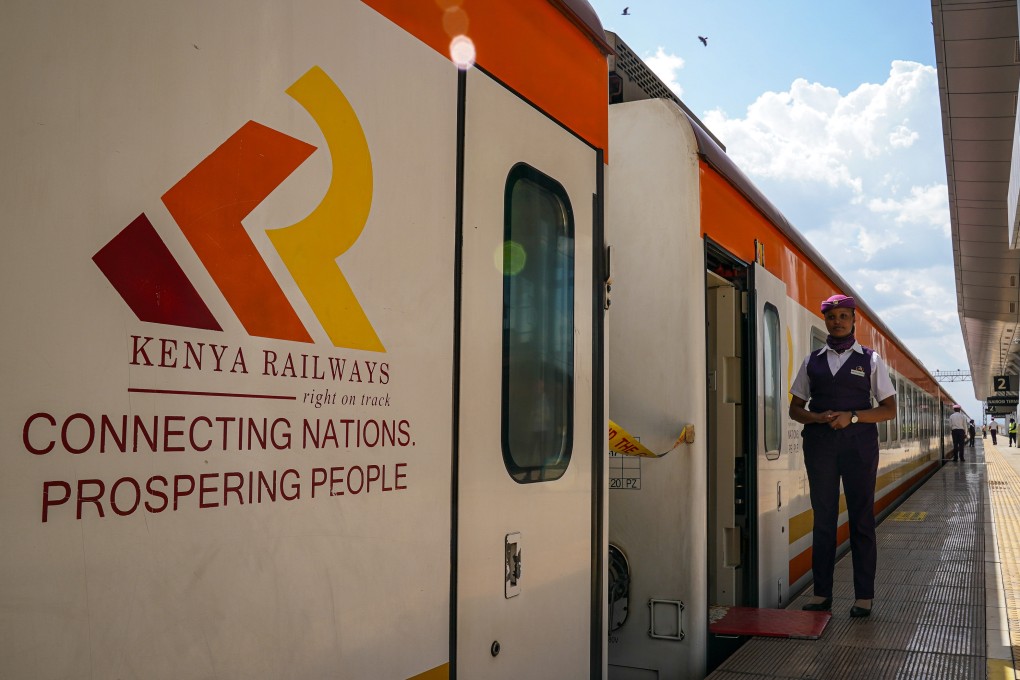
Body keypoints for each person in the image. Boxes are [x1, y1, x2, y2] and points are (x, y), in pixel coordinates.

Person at [789, 294, 896, 619]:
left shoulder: (871, 360)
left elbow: (889, 410)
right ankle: (821, 595)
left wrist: (851, 416)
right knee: (823, 520)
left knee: (861, 519)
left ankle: (864, 597)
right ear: (826, 321)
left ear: (853, 320)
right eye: (832, 317)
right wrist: (817, 418)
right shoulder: (811, 362)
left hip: (859, 447)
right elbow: (794, 409)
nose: (837, 322)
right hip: (820, 445)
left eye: (843, 316)